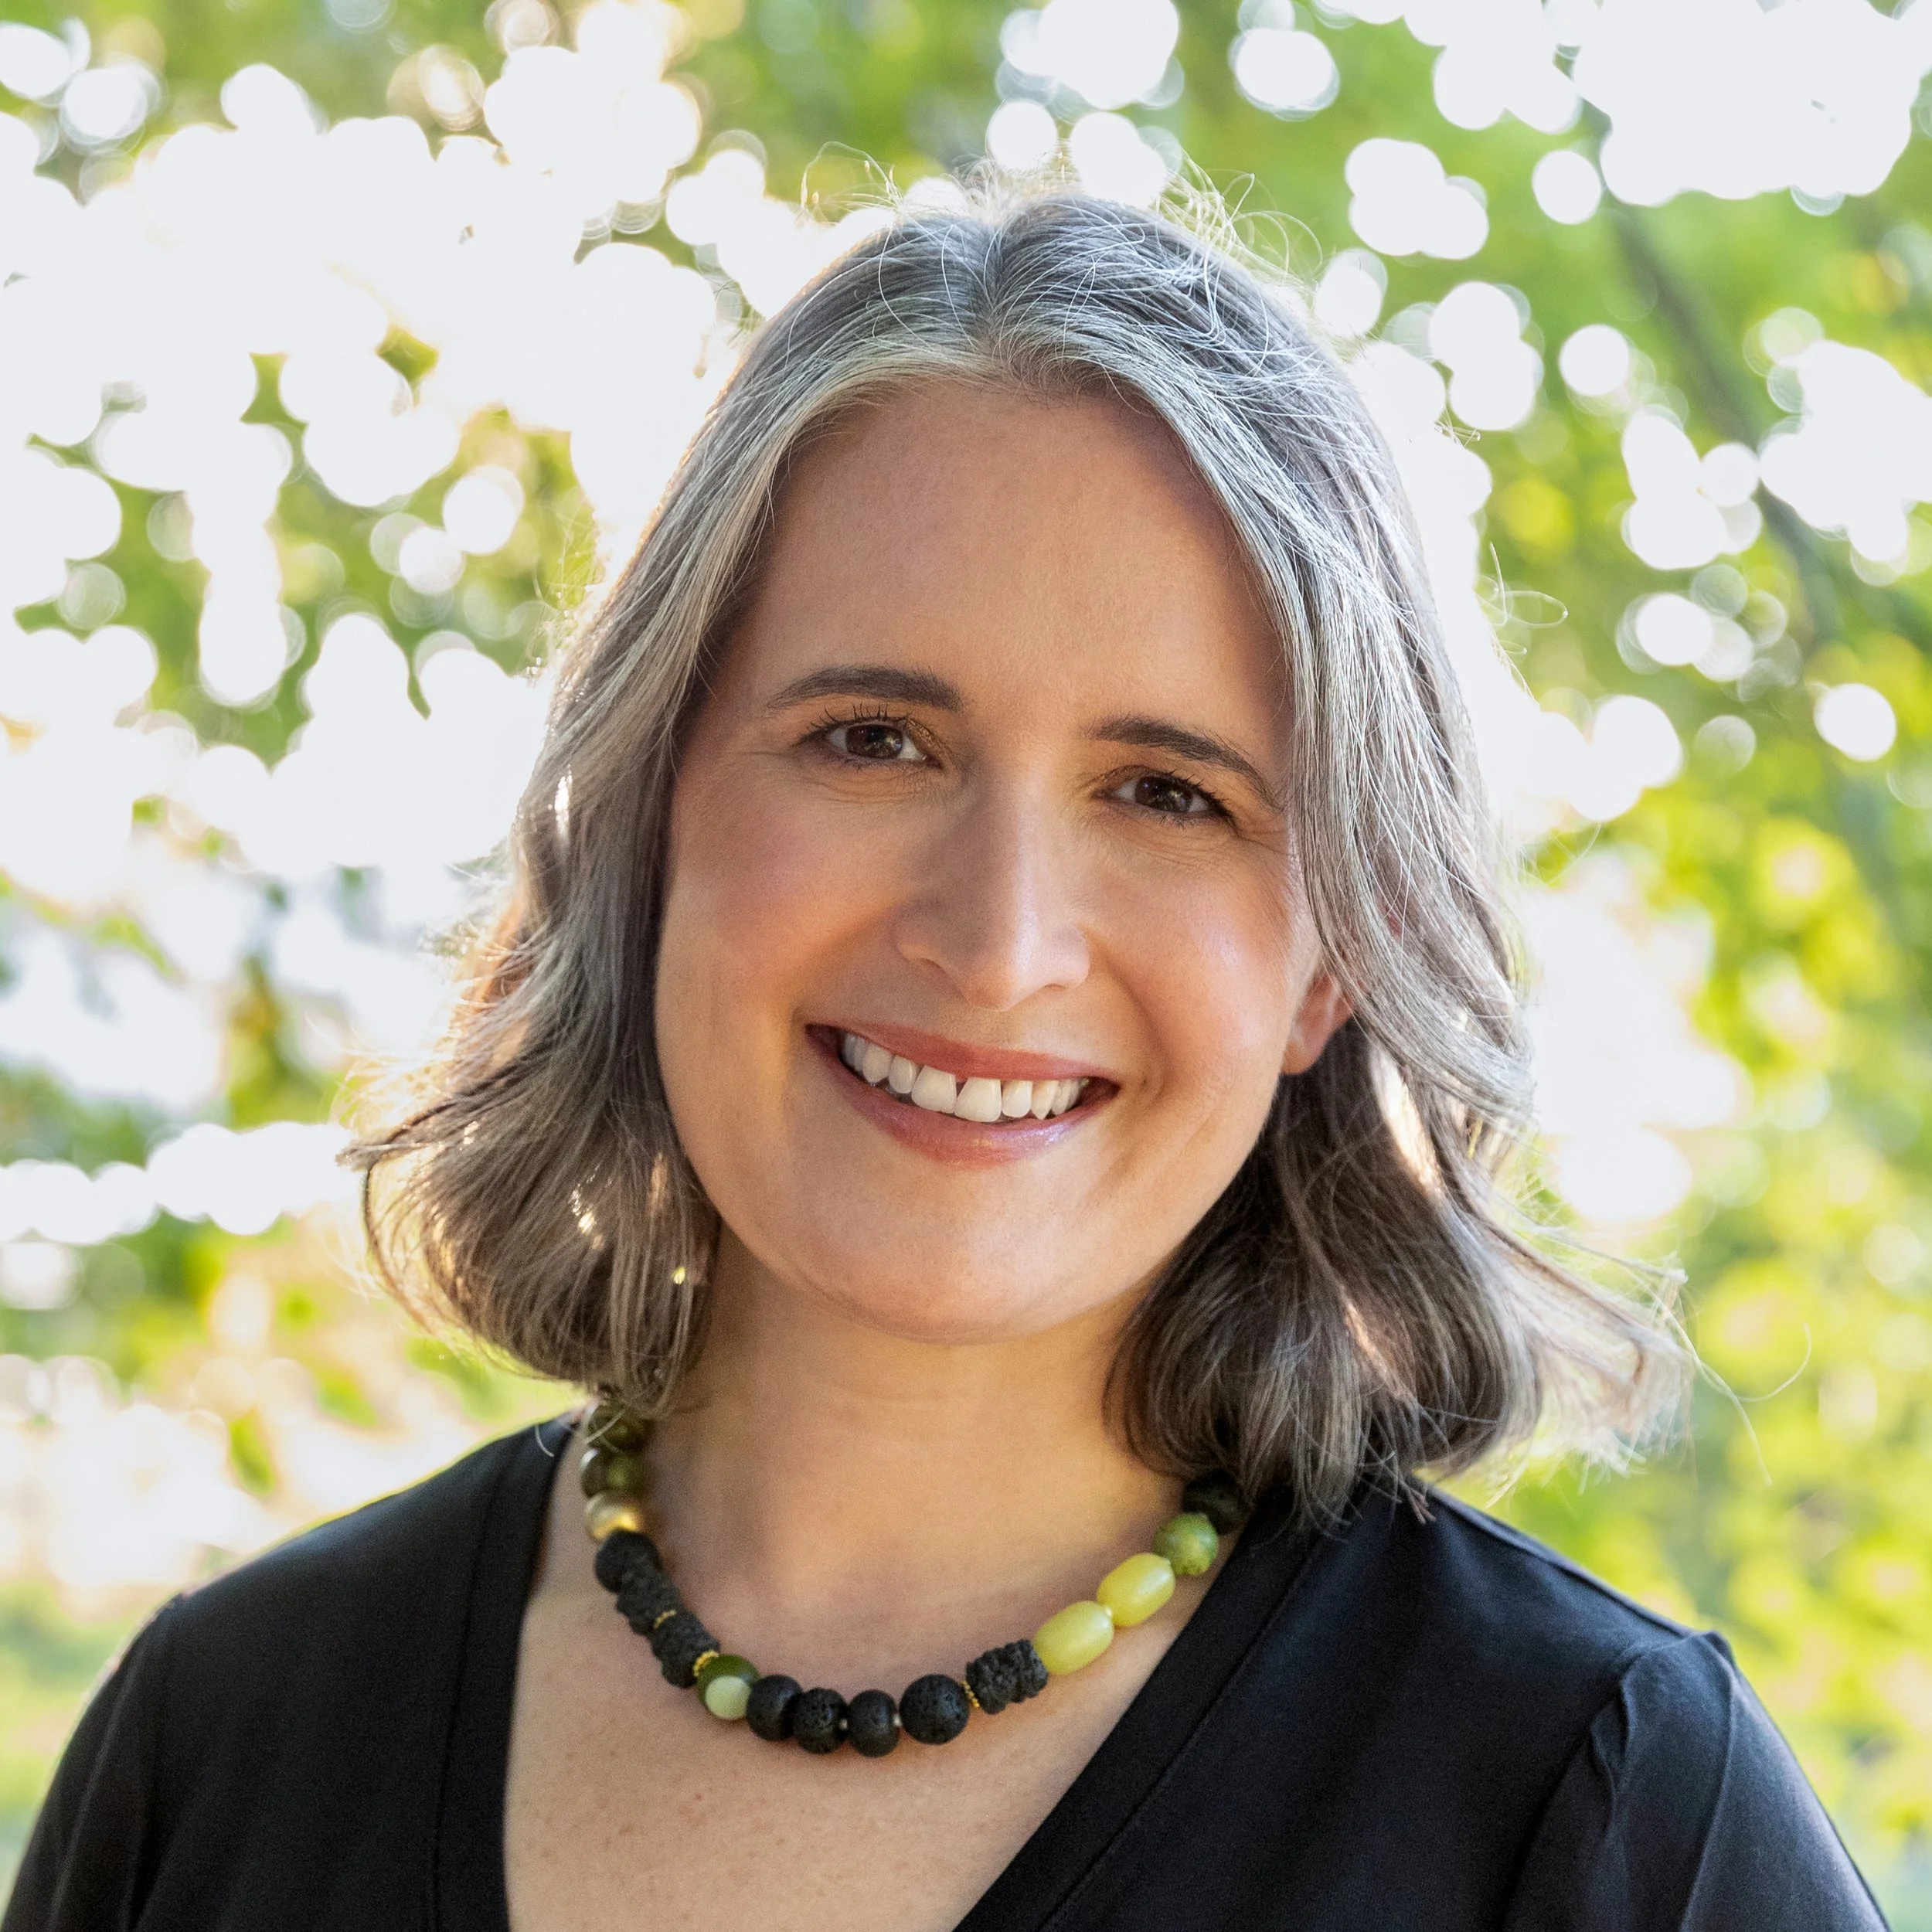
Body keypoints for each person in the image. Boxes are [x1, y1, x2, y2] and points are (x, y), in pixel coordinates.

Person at [8, 189, 1887, 1932]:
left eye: (1165, 792)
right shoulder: (222, 1736)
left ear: (1335, 955)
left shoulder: (1604, 1810)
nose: (995, 941)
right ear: (653, 814)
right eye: (871, 740)